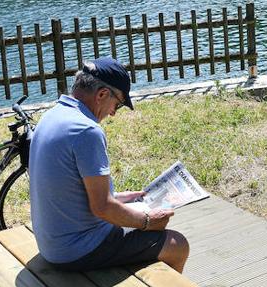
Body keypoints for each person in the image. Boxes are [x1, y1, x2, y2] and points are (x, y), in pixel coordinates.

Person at [28, 57, 189, 273]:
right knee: (177, 245)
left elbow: (74, 194)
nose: (113, 112)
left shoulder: (53, 115)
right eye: (118, 104)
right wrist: (147, 221)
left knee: (137, 215)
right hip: (76, 251)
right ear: (102, 94)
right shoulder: (87, 131)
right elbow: (102, 207)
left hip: (53, 244)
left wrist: (123, 198)